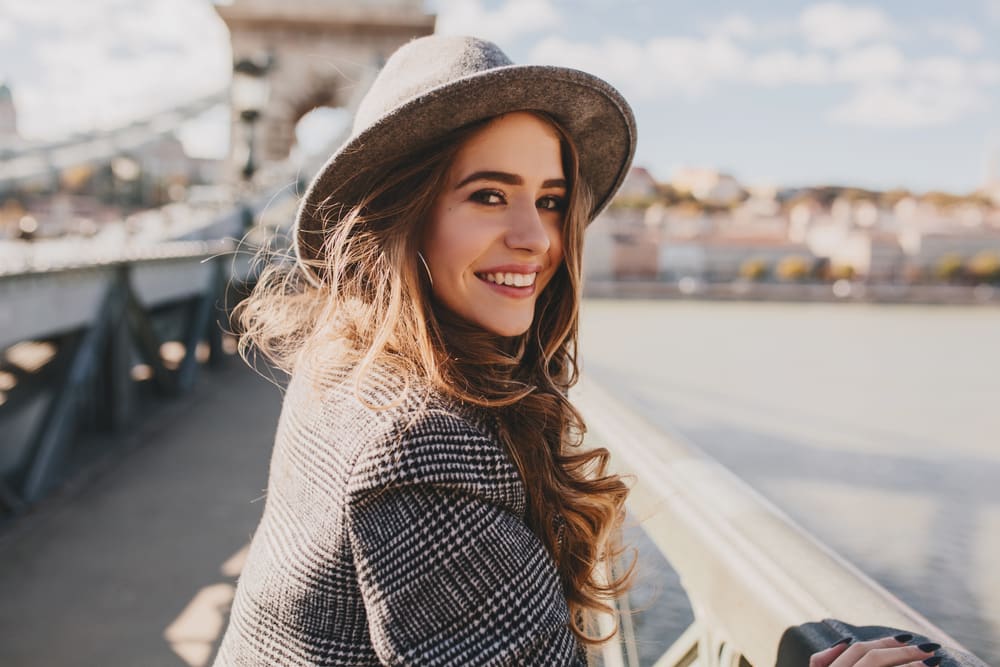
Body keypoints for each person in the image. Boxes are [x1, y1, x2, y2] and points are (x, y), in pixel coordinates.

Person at [212, 35, 943, 667]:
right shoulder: (422, 450)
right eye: (490, 195)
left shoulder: (343, 357)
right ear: (400, 213)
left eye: (552, 199)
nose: (536, 238)